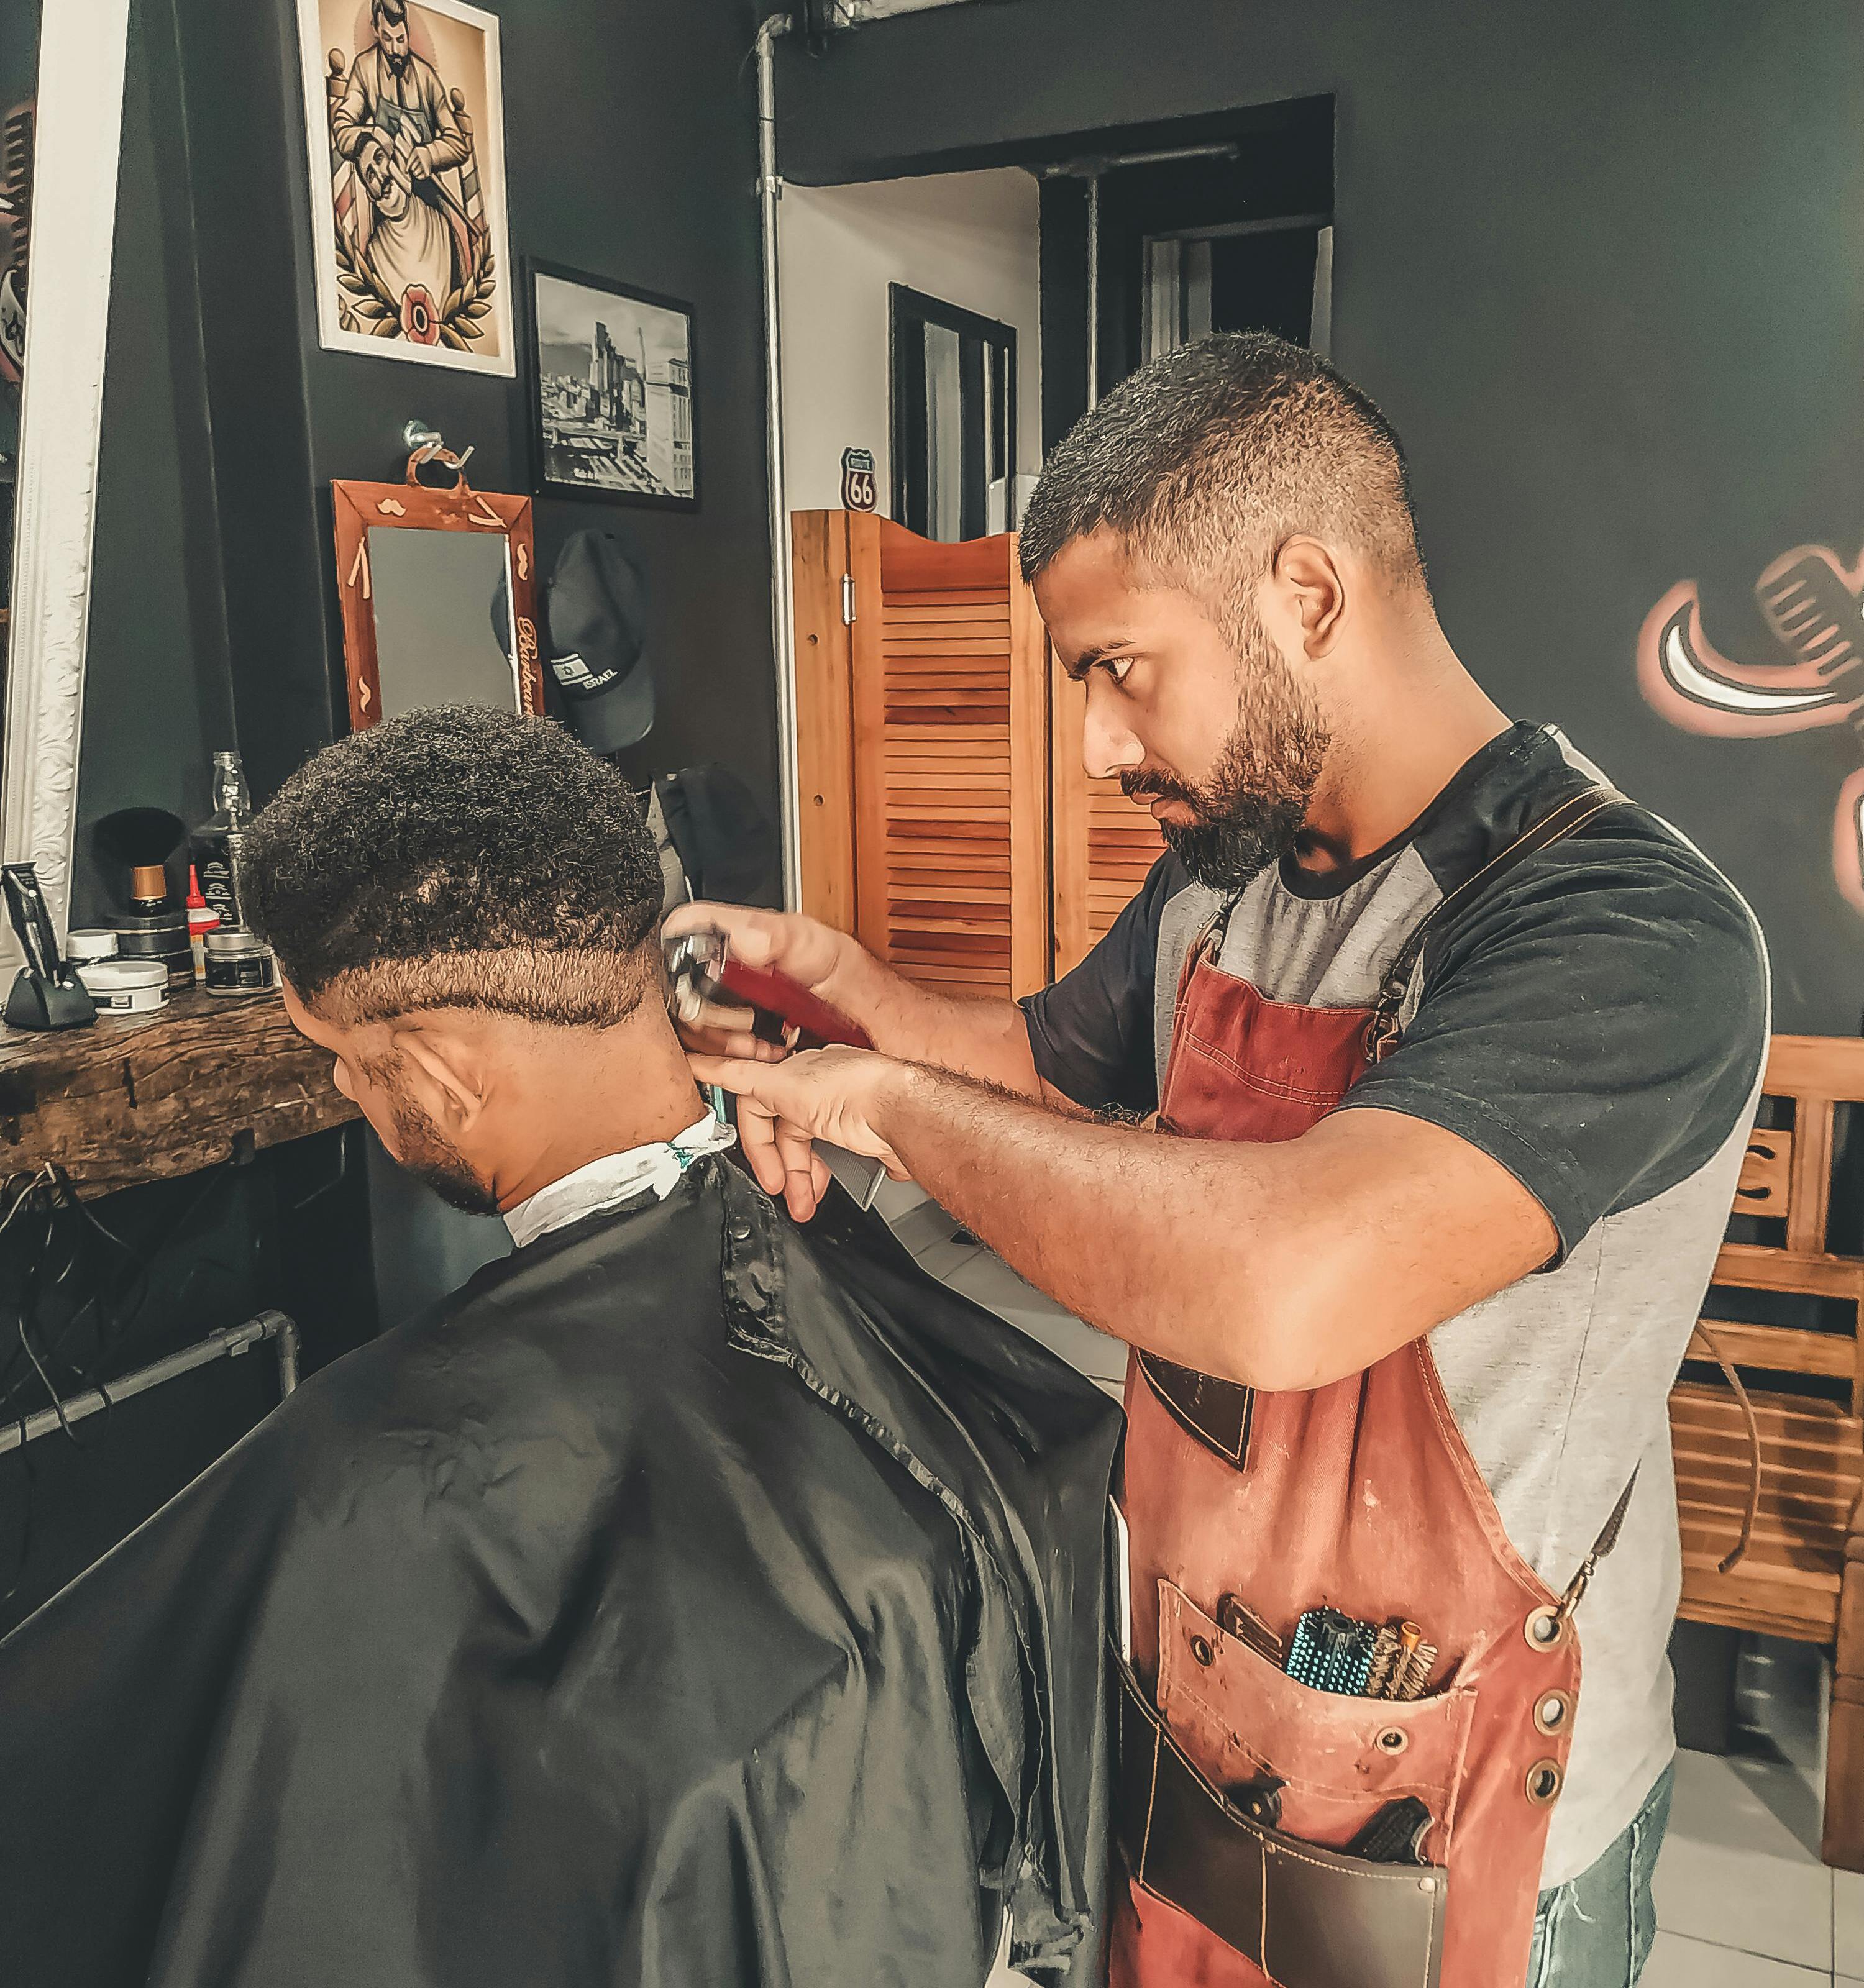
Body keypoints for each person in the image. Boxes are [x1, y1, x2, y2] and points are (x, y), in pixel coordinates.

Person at [675, 333, 1770, 1988]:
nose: (1103, 748)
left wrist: (882, 1108)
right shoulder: (1230, 885)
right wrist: (852, 1000)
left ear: (1308, 595)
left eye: (1122, 666)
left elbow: (1283, 1286)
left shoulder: (1625, 929)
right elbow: (1045, 1065)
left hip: (1465, 1816)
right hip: (1197, 1709)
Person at [0, 708, 1119, 1988]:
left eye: (347, 1063)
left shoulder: (366, 1477)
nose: (348, 1099)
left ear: (440, 1067)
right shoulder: (843, 1249)